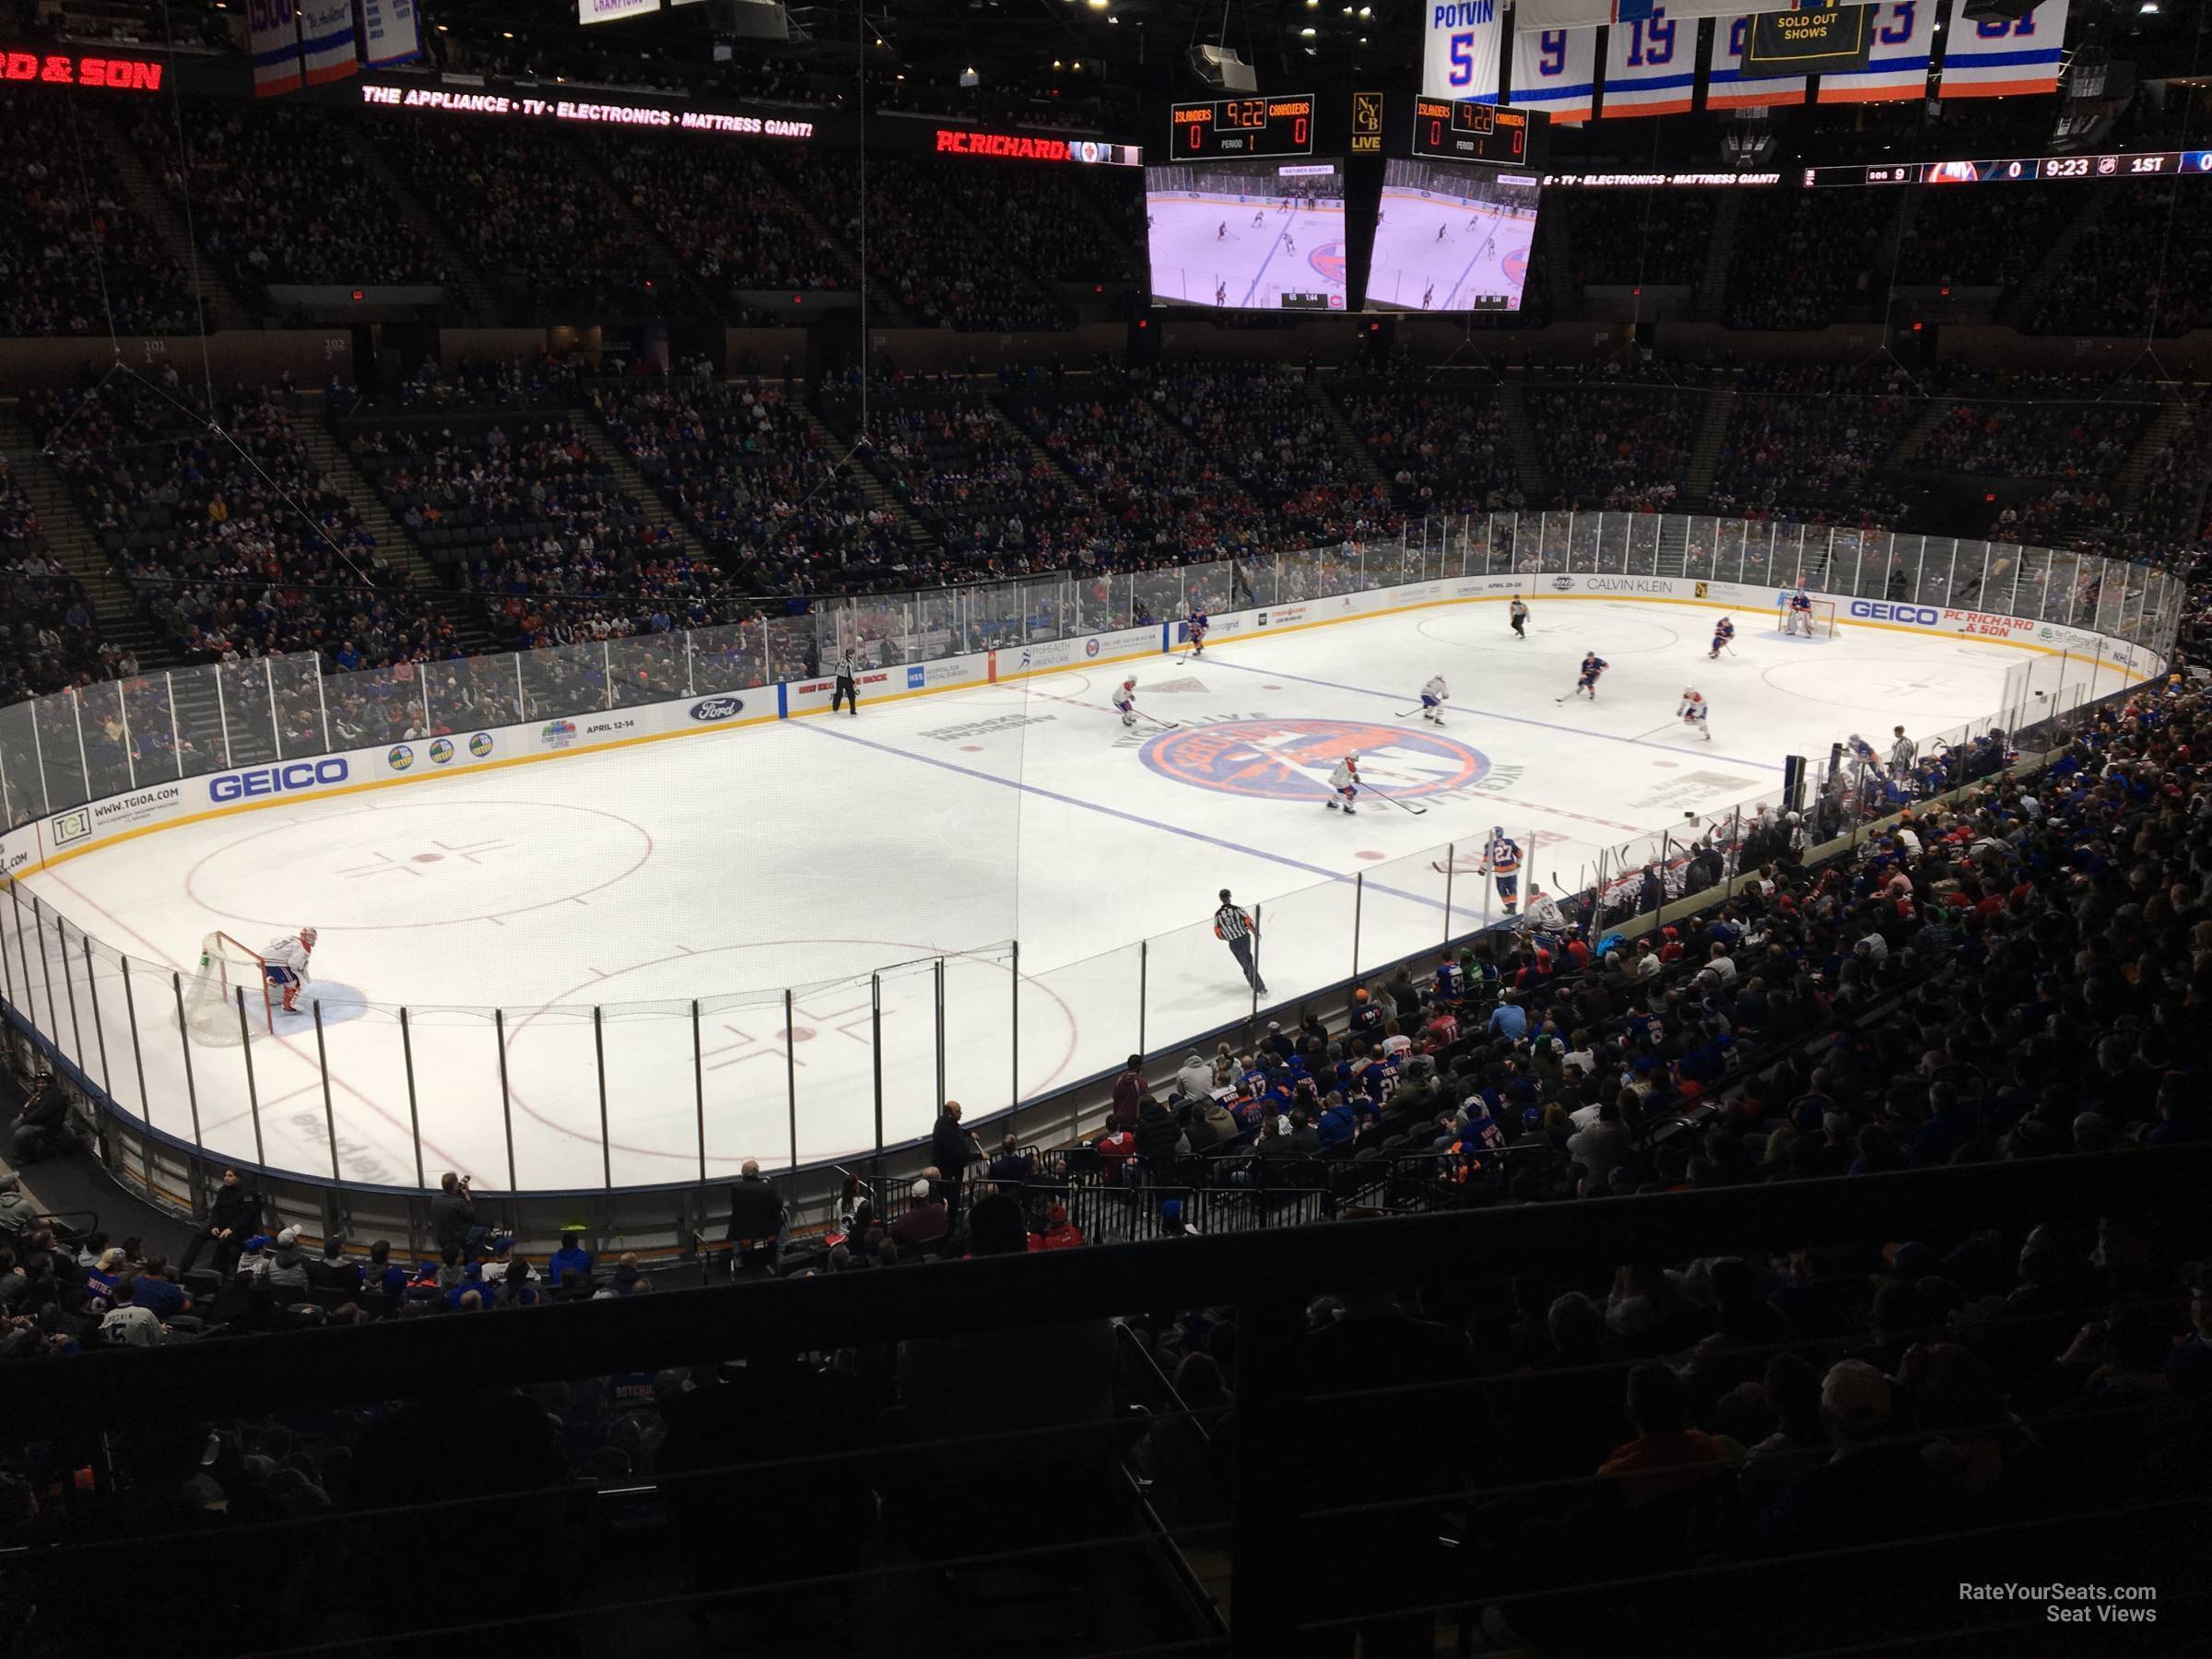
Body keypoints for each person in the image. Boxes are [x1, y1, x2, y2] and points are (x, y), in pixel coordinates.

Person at [179, 1168, 261, 1278]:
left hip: (240, 1229)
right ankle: (184, 1268)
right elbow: (216, 1210)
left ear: (238, 1178)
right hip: (223, 1225)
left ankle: (218, 1272)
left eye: (230, 1176)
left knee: (224, 1241)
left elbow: (247, 1216)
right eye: (226, 1175)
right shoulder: (223, 1190)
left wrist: (231, 1228)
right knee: (199, 1234)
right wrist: (214, 1225)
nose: (227, 1178)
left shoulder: (247, 1194)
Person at [727, 1159, 787, 1270]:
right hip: (765, 1229)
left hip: (742, 1230)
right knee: (784, 1213)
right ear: (757, 1174)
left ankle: (738, 1256)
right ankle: (780, 1251)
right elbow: (778, 1204)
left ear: (743, 1174)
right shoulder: (766, 1188)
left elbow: (736, 1208)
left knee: (735, 1219)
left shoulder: (735, 1189)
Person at [930, 1100, 981, 1226]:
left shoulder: (944, 1122)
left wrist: (968, 1133)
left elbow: (957, 1130)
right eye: (957, 1111)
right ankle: (949, 1227)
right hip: (950, 1172)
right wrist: (979, 1155)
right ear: (949, 1113)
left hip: (950, 1170)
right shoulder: (947, 1131)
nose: (961, 1113)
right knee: (951, 1201)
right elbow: (960, 1156)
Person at [1213, 888, 1267, 996]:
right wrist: (1255, 933)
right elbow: (1248, 922)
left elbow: (1218, 933)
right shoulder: (1237, 909)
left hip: (1234, 943)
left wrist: (1228, 937)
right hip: (1244, 938)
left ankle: (1259, 987)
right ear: (1230, 897)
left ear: (1221, 899)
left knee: (1247, 963)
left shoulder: (1218, 915)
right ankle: (1255, 984)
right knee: (1247, 962)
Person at [11, 1074, 74, 1163]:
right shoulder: (39, 1093)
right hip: (37, 1121)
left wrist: (25, 1120)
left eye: (43, 1083)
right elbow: (29, 1105)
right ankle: (26, 1149)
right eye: (38, 1083)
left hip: (47, 1125)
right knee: (15, 1124)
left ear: (49, 1084)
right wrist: (22, 1113)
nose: (40, 1085)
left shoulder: (52, 1097)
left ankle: (26, 1157)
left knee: (20, 1133)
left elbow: (41, 1115)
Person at [260, 925, 317, 1015]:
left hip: (261, 959)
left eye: (313, 937)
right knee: (294, 981)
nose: (311, 939)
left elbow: (273, 941)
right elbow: (293, 964)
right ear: (304, 936)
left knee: (283, 976)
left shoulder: (291, 938)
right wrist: (300, 970)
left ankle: (273, 982)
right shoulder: (305, 946)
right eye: (310, 936)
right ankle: (288, 1005)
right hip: (274, 964)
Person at [99, 1277, 165, 1347]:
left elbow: (102, 1335)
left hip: (115, 1356)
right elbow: (159, 1338)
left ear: (114, 1296)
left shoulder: (109, 1316)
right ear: (132, 1294)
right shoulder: (145, 1313)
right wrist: (161, 1328)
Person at [890, 1179, 950, 1253]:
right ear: (928, 1196)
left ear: (912, 1198)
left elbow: (894, 1237)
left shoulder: (902, 1222)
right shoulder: (939, 1209)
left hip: (913, 1257)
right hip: (939, 1252)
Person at [1112, 1055, 1147, 1132]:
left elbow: (1115, 1096)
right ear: (1138, 1066)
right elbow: (1147, 1101)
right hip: (1133, 1123)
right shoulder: (1140, 1082)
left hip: (1120, 1121)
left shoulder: (1120, 1080)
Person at [1324, 750, 1360, 815]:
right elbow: (1344, 780)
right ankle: (1347, 808)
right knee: (1356, 794)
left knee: (1340, 791)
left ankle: (1332, 803)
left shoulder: (1347, 759)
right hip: (1340, 782)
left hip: (1334, 779)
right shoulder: (1351, 768)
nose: (1358, 758)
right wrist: (1349, 792)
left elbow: (1344, 772)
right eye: (1357, 756)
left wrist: (1354, 775)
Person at [830, 649, 859, 715]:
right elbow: (851, 673)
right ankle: (852, 711)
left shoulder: (841, 659)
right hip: (847, 680)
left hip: (839, 679)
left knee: (838, 694)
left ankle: (835, 708)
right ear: (850, 655)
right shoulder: (850, 662)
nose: (854, 655)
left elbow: (836, 666)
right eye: (853, 654)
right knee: (851, 695)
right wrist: (853, 682)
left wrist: (838, 673)